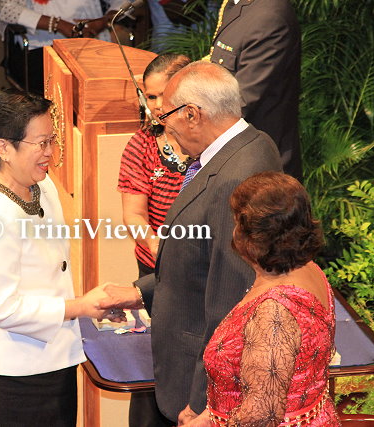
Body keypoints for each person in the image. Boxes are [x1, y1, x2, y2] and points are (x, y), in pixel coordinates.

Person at [99, 61, 282, 424]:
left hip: (200, 383)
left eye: (166, 116)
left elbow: (229, 300)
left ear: (192, 114)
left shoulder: (232, 179)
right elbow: (201, 262)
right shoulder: (256, 143)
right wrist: (140, 293)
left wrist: (203, 401)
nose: (163, 126)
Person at [0, 89, 116, 426]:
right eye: (41, 143)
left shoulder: (41, 185)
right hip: (13, 376)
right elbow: (3, 308)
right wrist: (81, 307)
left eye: (51, 140)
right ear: (3, 148)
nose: (50, 152)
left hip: (56, 360)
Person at [184, 171, 340, 426]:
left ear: (252, 237)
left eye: (236, 222)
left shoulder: (274, 311)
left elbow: (261, 416)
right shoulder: (307, 270)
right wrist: (207, 418)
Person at [117, 52, 190, 427]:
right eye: (150, 96)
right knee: (154, 370)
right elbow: (133, 215)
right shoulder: (141, 145)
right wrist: (159, 248)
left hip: (204, 272)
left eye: (163, 95)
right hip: (155, 271)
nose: (156, 106)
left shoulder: (210, 143)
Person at [202, 0, 302, 180]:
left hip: (260, 169)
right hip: (234, 158)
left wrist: (187, 121)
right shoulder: (235, 5)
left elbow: (240, 102)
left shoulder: (268, 17)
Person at [0, 0, 125, 94]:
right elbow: (7, 10)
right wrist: (58, 25)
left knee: (114, 86)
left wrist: (104, 21)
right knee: (69, 86)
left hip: (94, 42)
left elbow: (126, 3)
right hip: (44, 46)